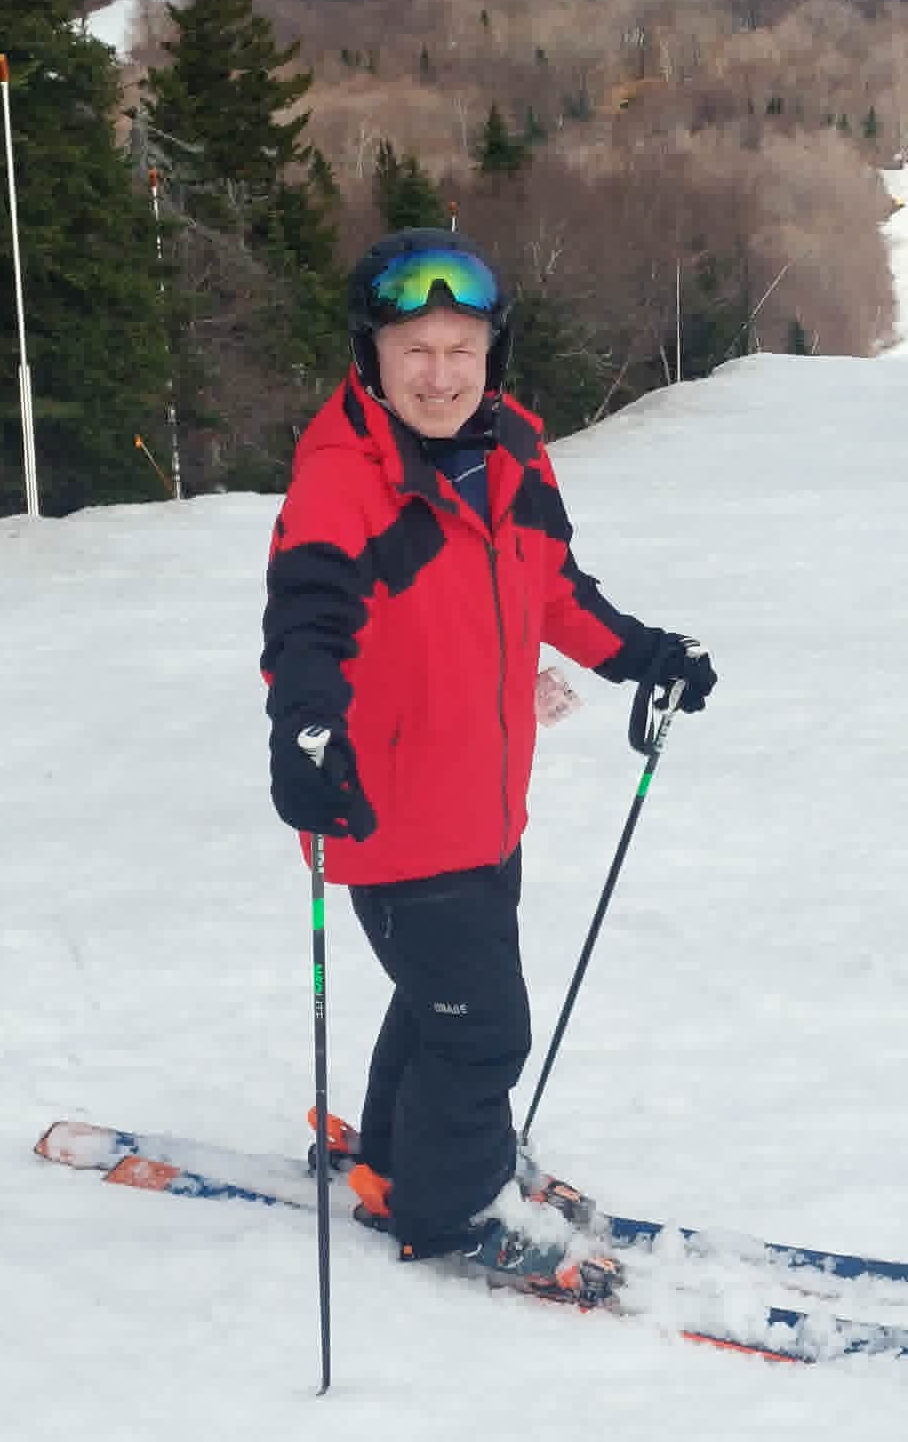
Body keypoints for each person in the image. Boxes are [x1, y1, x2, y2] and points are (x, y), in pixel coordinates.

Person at [261, 227, 716, 1289]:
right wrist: (306, 726)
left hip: (483, 806)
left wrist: (642, 653)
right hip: (384, 814)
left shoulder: (512, 447)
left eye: (460, 345)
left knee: (440, 1000)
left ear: (490, 353)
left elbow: (554, 584)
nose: (439, 372)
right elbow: (308, 627)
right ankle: (448, 1205)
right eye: (413, 347)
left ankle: (396, 1153)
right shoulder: (344, 479)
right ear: (370, 354)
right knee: (482, 1031)